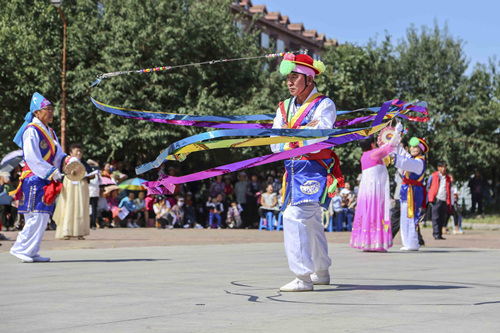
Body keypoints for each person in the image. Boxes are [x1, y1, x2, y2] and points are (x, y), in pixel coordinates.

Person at [271, 53, 343, 291]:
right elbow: (274, 142)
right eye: (288, 77)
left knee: (294, 216)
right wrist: (302, 132)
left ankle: (302, 277)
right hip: (292, 172)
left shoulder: (325, 104)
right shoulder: (284, 107)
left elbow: (321, 135)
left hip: (314, 171)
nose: (290, 82)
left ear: (309, 80)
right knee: (311, 221)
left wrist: (292, 136)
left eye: (295, 77)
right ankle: (321, 272)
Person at [10, 92, 73, 262]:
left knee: (43, 215)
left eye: (52, 109)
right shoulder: (31, 130)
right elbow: (32, 157)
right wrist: (51, 171)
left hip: (44, 177)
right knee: (34, 215)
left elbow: (58, 154)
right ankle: (19, 248)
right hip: (33, 177)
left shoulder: (50, 132)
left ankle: (31, 250)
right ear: (37, 112)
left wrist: (70, 160)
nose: (51, 112)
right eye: (48, 109)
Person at [349, 125, 401, 252]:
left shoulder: (364, 156)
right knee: (376, 212)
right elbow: (389, 147)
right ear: (372, 144)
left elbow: (385, 148)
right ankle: (376, 243)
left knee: (366, 213)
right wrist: (397, 131)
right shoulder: (374, 154)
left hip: (365, 191)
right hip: (375, 191)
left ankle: (366, 242)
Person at [393, 136, 428, 251]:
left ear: (421, 149)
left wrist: (393, 157)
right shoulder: (413, 159)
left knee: (411, 216)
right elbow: (403, 154)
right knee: (405, 216)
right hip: (407, 190)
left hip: (413, 191)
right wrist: (396, 142)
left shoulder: (419, 161)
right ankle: (407, 242)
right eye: (412, 147)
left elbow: (404, 162)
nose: (413, 149)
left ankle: (412, 243)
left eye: (416, 147)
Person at [53, 143, 92, 240]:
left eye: (80, 152)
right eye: (76, 151)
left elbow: (91, 173)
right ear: (71, 153)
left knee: (80, 208)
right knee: (68, 206)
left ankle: (80, 232)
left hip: (81, 186)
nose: (79, 153)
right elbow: (65, 171)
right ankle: (66, 231)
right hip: (70, 185)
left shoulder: (83, 163)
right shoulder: (67, 160)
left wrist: (91, 175)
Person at [427, 161, 452, 240]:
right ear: (438, 168)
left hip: (444, 200)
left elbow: (449, 188)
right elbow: (428, 186)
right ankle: (436, 233)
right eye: (442, 167)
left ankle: (440, 234)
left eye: (445, 167)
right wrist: (430, 198)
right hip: (436, 199)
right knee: (435, 218)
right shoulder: (433, 176)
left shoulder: (447, 178)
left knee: (442, 218)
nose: (444, 169)